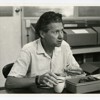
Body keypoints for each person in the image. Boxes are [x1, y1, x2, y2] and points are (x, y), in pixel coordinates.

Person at [5, 11, 83, 93]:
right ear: (42, 34)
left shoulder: (64, 46)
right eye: (56, 32)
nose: (61, 36)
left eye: (62, 31)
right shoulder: (28, 49)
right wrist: (38, 79)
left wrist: (78, 72)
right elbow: (9, 82)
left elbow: (78, 71)